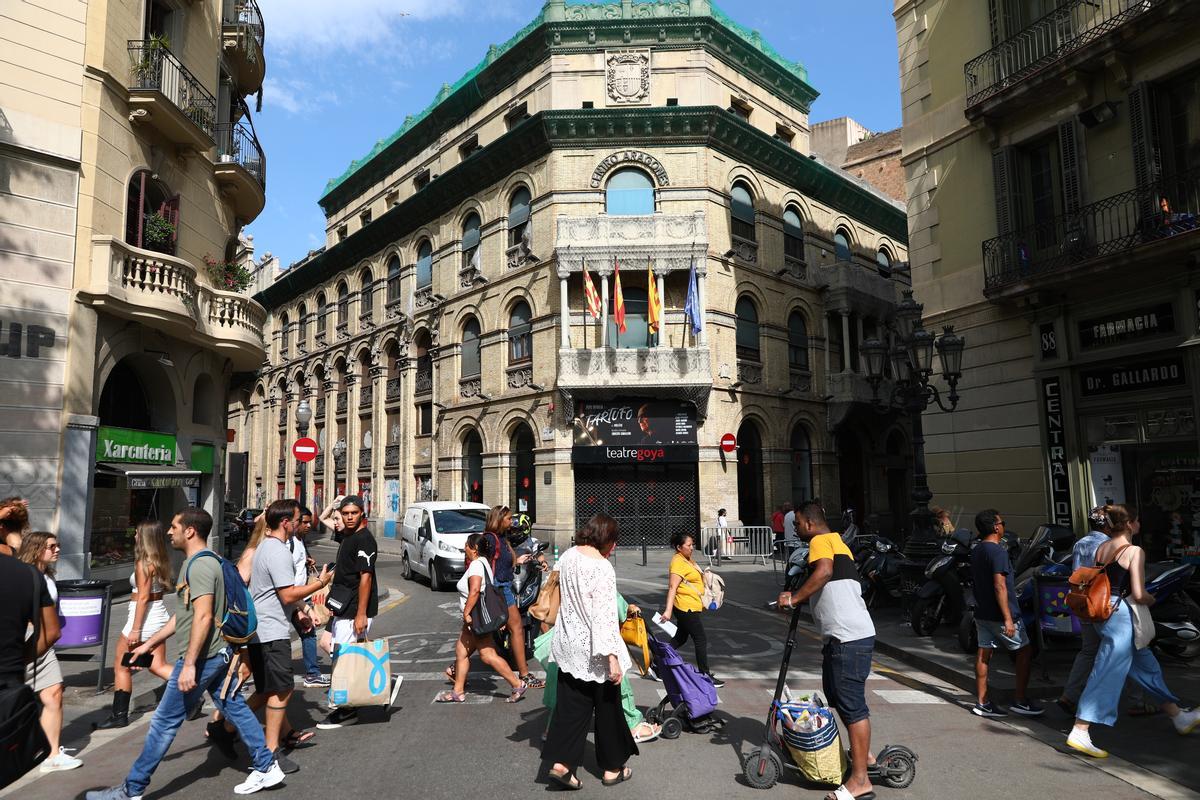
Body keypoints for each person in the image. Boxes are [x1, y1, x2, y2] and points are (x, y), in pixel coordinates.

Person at [86, 508, 283, 799]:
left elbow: (203, 616)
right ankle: (267, 765)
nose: (169, 532)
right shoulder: (208, 560)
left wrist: (189, 664)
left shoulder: (199, 566)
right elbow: (185, 614)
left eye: (174, 526)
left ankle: (131, 790)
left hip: (204, 657)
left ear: (190, 531)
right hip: (218, 653)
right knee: (235, 707)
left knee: (164, 723)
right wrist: (149, 643)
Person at [1067, 504, 1199, 758]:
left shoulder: (1103, 547)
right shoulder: (1134, 551)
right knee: (1108, 671)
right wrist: (1153, 600)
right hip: (1121, 617)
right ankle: (1080, 729)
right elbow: (1139, 594)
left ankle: (1178, 716)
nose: (1139, 525)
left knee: (1146, 667)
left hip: (1104, 613)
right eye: (1137, 521)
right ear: (1129, 524)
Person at [777, 501, 877, 800]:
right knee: (838, 697)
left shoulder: (820, 541)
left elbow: (823, 572)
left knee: (852, 705)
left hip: (848, 638)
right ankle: (864, 756)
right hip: (845, 637)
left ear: (809, 523)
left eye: (797, 524)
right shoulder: (837, 541)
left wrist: (794, 599)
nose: (795, 529)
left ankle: (860, 780)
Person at [543, 514, 638, 790]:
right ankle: (612, 768)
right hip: (596, 650)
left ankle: (562, 765)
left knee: (571, 708)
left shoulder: (568, 556)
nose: (615, 547)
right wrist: (612, 658)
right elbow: (604, 617)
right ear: (606, 539)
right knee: (608, 709)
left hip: (569, 644)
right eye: (614, 541)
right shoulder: (602, 568)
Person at [245, 499, 333, 773]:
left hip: (264, 629)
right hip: (270, 630)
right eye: (296, 520)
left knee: (270, 690)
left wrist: (304, 609)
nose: (300, 524)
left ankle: (241, 732)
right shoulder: (277, 550)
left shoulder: (265, 547)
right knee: (282, 690)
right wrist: (320, 583)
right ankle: (269, 752)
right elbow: (287, 594)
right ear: (285, 523)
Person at [97, 522, 175, 729]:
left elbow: (142, 598)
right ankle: (192, 695)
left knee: (121, 666)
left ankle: (119, 715)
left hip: (143, 619)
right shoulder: (159, 560)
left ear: (145, 538)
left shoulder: (143, 563)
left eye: (138, 534)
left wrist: (135, 629)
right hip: (158, 614)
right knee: (158, 665)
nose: (134, 537)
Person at [436, 533, 528, 703]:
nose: (464, 548)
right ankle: (458, 691)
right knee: (461, 652)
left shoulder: (476, 565)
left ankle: (517, 684)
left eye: (467, 545)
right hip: (473, 619)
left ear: (475, 548)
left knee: (487, 655)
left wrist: (466, 613)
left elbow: (475, 590)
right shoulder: (484, 562)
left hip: (475, 618)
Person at [969, 509, 1043, 719]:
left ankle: (982, 702)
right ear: (995, 527)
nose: (1003, 526)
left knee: (983, 654)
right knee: (1025, 651)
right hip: (1000, 614)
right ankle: (1020, 700)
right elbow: (999, 585)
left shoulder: (977, 550)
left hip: (981, 611)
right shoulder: (998, 552)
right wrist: (1008, 618)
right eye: (1002, 523)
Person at [17, 532, 81, 773]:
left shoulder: (48, 576)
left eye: (58, 545)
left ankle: (52, 755)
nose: (57, 550)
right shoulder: (23, 575)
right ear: (36, 549)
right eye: (51, 546)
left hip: (45, 639)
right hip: (24, 637)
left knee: (54, 692)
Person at [316, 495, 379, 729]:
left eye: (354, 513)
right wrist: (334, 504)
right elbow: (326, 520)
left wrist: (361, 614)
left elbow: (366, 578)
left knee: (344, 658)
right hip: (343, 607)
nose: (349, 517)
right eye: (345, 513)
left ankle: (347, 710)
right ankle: (361, 687)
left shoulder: (365, 540)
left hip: (354, 609)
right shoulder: (347, 535)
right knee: (334, 648)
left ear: (363, 513)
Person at [482, 505, 545, 691]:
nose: (511, 523)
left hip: (505, 587)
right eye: (508, 519)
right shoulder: (490, 540)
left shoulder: (502, 538)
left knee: (514, 628)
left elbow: (503, 563)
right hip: (497, 588)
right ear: (499, 520)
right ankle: (523, 675)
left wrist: (517, 561)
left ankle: (524, 675)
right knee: (479, 633)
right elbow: (483, 564)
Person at [661, 531, 723, 687]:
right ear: (679, 547)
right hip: (685, 607)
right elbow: (672, 587)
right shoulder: (678, 562)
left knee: (680, 638)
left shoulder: (687, 559)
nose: (692, 547)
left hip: (691, 605)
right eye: (689, 545)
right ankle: (705, 675)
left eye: (692, 544)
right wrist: (668, 610)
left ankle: (657, 662)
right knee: (700, 639)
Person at [290, 507, 329, 688]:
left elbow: (298, 562)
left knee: (308, 632)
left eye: (309, 522)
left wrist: (307, 560)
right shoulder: (288, 543)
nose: (308, 526)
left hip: (300, 595)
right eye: (304, 522)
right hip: (291, 596)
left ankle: (312, 673)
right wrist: (299, 608)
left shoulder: (300, 540)